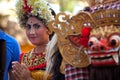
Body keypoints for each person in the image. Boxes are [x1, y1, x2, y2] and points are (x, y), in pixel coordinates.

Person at [12, 0, 55, 80]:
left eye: (37, 26)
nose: (31, 32)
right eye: (28, 27)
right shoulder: (24, 57)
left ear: (49, 28)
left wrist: (28, 78)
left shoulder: (57, 55)